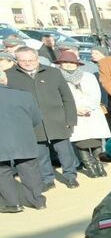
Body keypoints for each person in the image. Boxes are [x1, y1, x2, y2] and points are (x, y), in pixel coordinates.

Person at [5, 46, 78, 189]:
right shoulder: (9, 75)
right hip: (30, 124)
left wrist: (70, 119)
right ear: (16, 60)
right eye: (23, 60)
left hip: (57, 120)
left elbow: (67, 98)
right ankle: (47, 179)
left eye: (31, 60)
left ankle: (70, 176)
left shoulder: (53, 72)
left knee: (65, 152)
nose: (28, 63)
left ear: (37, 58)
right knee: (41, 154)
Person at [0, 57, 46, 212]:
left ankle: (13, 204)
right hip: (23, 138)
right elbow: (36, 119)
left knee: (2, 172)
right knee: (30, 169)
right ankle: (37, 201)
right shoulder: (24, 95)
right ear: (4, 79)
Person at [56, 48, 110, 178]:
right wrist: (75, 109)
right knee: (81, 142)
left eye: (71, 62)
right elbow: (59, 96)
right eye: (65, 62)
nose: (69, 65)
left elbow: (96, 94)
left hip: (92, 112)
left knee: (96, 140)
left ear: (77, 63)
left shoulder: (88, 76)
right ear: (60, 64)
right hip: (73, 112)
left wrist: (89, 107)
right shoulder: (57, 78)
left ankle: (99, 164)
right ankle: (89, 165)